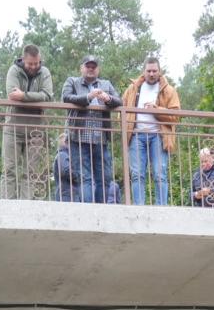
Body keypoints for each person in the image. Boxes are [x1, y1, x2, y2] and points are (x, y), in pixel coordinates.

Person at [61, 54, 121, 204]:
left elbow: (119, 100)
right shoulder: (72, 82)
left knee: (104, 177)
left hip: (101, 139)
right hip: (78, 138)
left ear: (98, 69)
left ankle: (101, 209)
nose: (91, 69)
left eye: (93, 67)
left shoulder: (106, 84)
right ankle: (88, 210)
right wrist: (88, 97)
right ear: (81, 68)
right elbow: (66, 98)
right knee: (84, 177)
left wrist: (109, 99)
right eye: (88, 66)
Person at [121, 57, 181, 206]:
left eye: (155, 71)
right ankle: (139, 208)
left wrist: (157, 110)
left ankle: (161, 208)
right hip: (136, 135)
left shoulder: (168, 90)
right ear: (144, 71)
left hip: (158, 137)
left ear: (159, 72)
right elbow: (121, 109)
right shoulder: (133, 88)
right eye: (149, 71)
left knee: (160, 174)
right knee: (136, 175)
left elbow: (176, 116)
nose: (152, 74)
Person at [2, 44, 53, 200]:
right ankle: (7, 206)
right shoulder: (14, 70)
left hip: (36, 130)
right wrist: (35, 97)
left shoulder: (44, 72)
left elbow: (48, 96)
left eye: (37, 63)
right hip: (13, 128)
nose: (34, 66)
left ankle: (27, 206)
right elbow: (11, 94)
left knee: (31, 171)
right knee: (9, 169)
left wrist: (23, 96)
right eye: (30, 64)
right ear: (23, 60)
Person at [52, 133, 81, 202]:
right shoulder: (62, 155)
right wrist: (79, 176)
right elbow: (66, 171)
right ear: (66, 142)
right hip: (67, 195)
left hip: (67, 194)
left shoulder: (63, 155)